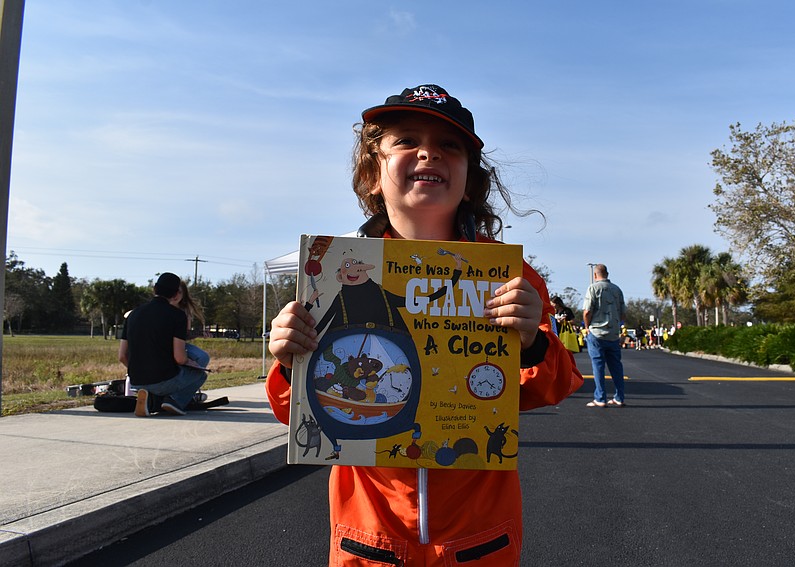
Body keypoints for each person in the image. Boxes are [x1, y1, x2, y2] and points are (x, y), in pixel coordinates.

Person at [265, 84, 584, 565]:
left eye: (449, 145)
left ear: (470, 180)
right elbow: (294, 410)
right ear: (372, 173)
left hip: (479, 535)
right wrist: (291, 360)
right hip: (368, 533)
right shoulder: (335, 271)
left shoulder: (509, 277)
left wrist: (531, 344)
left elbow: (554, 385)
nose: (428, 153)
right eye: (407, 140)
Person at [119, 273, 208, 417]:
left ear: (154, 289)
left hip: (136, 381)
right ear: (176, 294)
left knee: (155, 381)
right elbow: (180, 358)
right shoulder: (178, 316)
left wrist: (139, 372)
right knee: (200, 375)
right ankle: (174, 401)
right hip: (163, 380)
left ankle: (149, 398)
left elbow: (122, 356)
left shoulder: (133, 315)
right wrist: (191, 363)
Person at [583, 263, 627, 407]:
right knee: (616, 366)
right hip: (613, 334)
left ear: (595, 275)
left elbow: (587, 311)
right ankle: (619, 397)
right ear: (607, 274)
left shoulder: (593, 288)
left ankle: (600, 398)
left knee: (598, 365)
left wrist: (587, 327)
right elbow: (623, 312)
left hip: (596, 333)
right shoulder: (617, 289)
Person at [177, 280, 211, 370]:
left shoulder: (185, 311)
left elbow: (186, 334)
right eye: (174, 292)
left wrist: (200, 333)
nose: (176, 295)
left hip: (179, 344)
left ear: (184, 294)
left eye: (179, 292)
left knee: (202, 357)